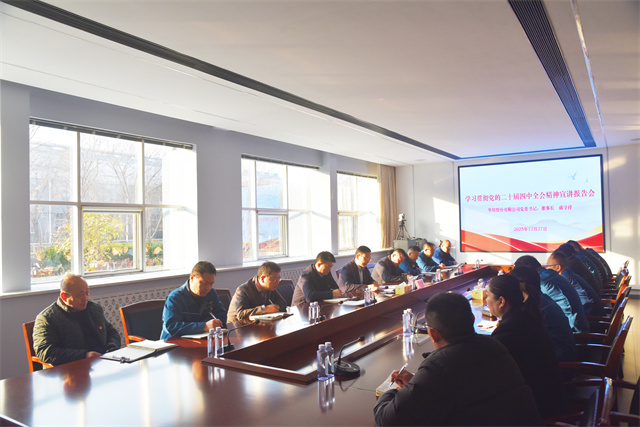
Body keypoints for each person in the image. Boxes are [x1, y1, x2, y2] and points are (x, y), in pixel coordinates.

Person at [374, 292, 541, 426]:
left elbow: (387, 420)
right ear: (472, 320)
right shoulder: (495, 346)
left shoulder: (438, 367)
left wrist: (392, 392)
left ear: (433, 333)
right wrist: (416, 385)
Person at [487, 274, 564, 418]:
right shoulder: (525, 317)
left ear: (501, 301)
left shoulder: (510, 330)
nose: (486, 300)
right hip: (548, 395)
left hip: (536, 408)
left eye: (488, 296)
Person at [33, 274, 121, 366]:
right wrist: (84, 355)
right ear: (64, 296)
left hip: (102, 361)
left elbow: (112, 332)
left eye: (87, 293)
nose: (85, 298)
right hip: (71, 368)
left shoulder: (94, 309)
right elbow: (44, 351)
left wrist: (111, 349)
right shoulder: (47, 318)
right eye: (80, 295)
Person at [510, 266, 577, 363]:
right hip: (562, 357)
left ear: (520, 287)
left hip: (558, 365)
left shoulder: (536, 308)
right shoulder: (542, 300)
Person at [514, 255, 589, 333]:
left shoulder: (544, 282)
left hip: (575, 331)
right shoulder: (550, 274)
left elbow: (566, 310)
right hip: (576, 327)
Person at [161, 261, 227, 340]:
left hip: (202, 339)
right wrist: (204, 326)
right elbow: (172, 326)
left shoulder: (211, 293)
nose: (208, 288)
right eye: (204, 283)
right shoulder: (175, 298)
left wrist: (215, 323)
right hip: (174, 342)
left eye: (211, 284)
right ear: (192, 278)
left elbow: (222, 315)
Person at [547, 251, 604, 316]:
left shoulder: (567, 279)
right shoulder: (569, 275)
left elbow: (584, 303)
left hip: (593, 316)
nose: (547, 269)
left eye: (549, 266)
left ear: (558, 267)